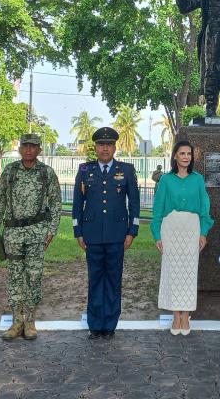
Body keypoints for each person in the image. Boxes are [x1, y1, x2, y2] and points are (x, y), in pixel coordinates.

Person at [0, 133, 62, 341]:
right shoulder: (10, 171)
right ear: (20, 148)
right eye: (25, 146)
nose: (29, 150)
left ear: (40, 150)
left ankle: (30, 321)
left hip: (37, 232)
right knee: (14, 276)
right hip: (12, 233)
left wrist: (51, 230)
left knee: (34, 275)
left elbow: (56, 204)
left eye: (33, 146)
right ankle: (16, 321)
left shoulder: (46, 173)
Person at [72, 127, 141, 339]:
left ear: (115, 147)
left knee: (113, 279)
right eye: (101, 144)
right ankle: (95, 324)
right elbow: (77, 203)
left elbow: (135, 204)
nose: (105, 148)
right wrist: (78, 231)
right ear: (95, 147)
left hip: (117, 235)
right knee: (95, 280)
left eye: (109, 144)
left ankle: (110, 324)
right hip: (91, 234)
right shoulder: (85, 170)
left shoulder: (126, 170)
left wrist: (132, 231)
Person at [151, 141, 212, 336]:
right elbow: (158, 209)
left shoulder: (198, 180)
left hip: (191, 229)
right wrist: (157, 234)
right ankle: (175, 315)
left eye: (189, 154)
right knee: (172, 272)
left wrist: (203, 232)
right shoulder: (166, 180)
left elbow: (205, 208)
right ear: (175, 156)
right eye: (182, 153)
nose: (186, 157)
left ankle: (186, 315)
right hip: (171, 229)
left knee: (188, 273)